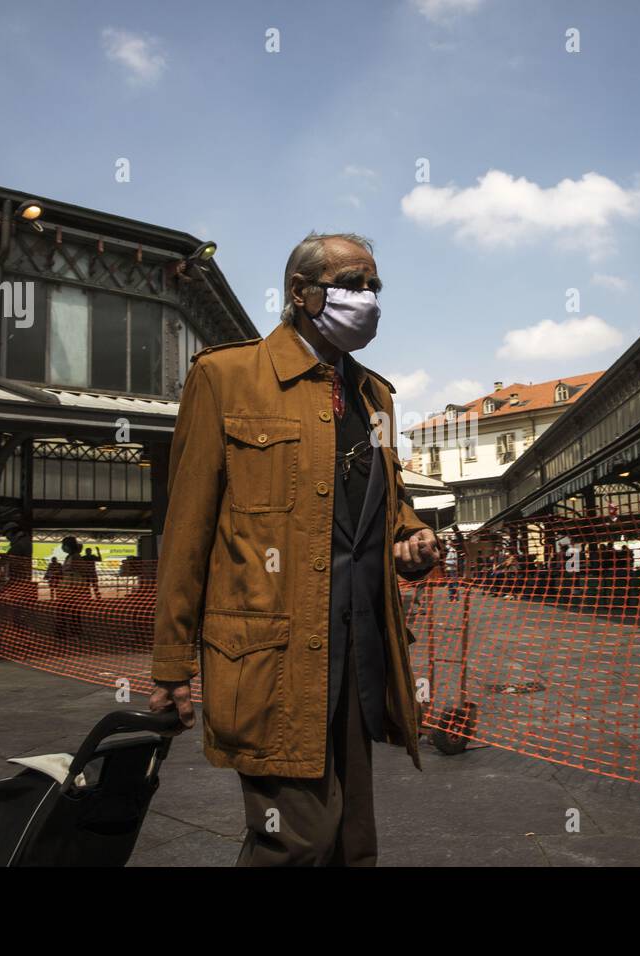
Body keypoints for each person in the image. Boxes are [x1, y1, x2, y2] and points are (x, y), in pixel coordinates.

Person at [148, 232, 438, 866]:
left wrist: (410, 533)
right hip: (270, 659)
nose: (369, 299)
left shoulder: (376, 397)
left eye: (375, 287)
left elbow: (389, 498)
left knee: (353, 843)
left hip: (361, 652)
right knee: (296, 842)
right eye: (353, 285)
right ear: (302, 293)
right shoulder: (224, 376)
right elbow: (188, 527)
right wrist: (171, 663)